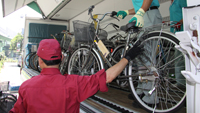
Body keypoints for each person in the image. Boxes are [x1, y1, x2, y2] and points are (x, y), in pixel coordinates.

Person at [9, 39, 143, 113]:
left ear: (39, 60)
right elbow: (108, 77)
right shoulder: (73, 83)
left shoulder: (26, 87)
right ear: (61, 58)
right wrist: (127, 58)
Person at [113, 0, 162, 105]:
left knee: (147, 58)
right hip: (146, 16)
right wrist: (126, 12)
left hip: (150, 16)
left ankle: (151, 98)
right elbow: (141, 4)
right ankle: (141, 90)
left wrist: (140, 13)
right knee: (140, 56)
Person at [166, 0, 187, 88]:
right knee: (179, 58)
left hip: (183, 33)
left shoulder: (181, 0)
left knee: (179, 58)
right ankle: (181, 82)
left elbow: (187, 13)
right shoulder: (172, 4)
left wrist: (180, 22)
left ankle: (181, 83)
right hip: (175, 35)